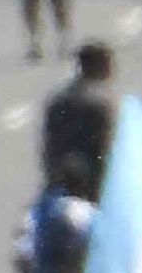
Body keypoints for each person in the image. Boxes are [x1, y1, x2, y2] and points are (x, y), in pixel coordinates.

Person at [41, 40, 119, 201]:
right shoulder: (103, 101)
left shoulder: (60, 98)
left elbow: (50, 143)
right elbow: (105, 146)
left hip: (61, 176)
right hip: (94, 180)